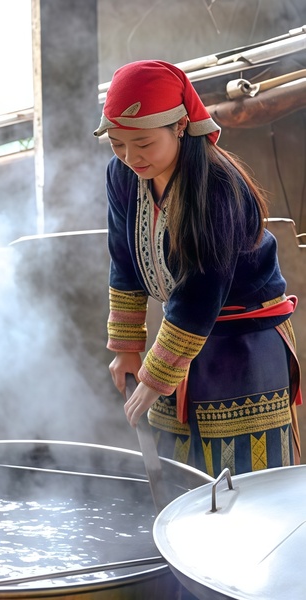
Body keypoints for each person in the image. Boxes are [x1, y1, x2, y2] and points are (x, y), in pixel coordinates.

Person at [94, 60, 300, 477]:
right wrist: (128, 348)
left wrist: (155, 377)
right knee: (178, 473)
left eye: (143, 143)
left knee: (242, 480)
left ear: (180, 127)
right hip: (180, 334)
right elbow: (124, 258)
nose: (131, 157)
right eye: (118, 144)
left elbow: (201, 289)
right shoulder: (122, 176)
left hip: (242, 346)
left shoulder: (217, 187)